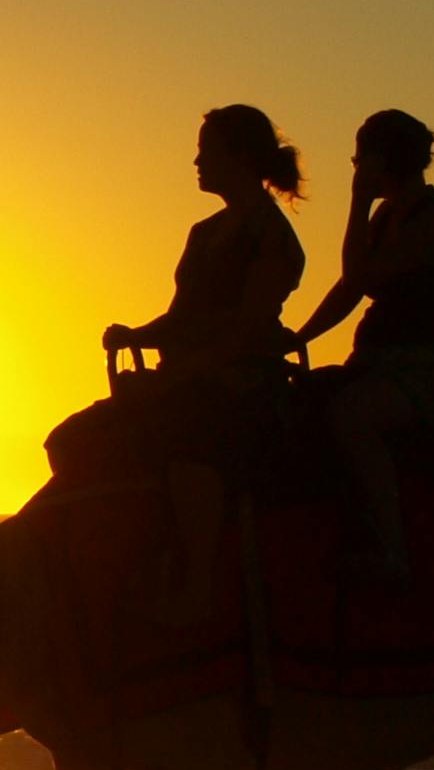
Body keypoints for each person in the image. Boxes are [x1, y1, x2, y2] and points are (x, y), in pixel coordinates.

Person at [102, 105, 307, 615]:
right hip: (187, 376)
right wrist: (135, 335)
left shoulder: (272, 236)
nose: (196, 160)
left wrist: (172, 381)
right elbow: (181, 318)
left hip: (241, 384)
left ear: (237, 157)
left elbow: (247, 332)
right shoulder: (203, 232)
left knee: (189, 442)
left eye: (206, 149)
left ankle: (198, 584)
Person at [290, 109, 434, 579]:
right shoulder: (391, 214)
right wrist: (297, 337)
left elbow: (361, 277)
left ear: (380, 160)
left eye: (359, 159)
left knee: (351, 418)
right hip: (375, 361)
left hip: (423, 369)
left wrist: (356, 203)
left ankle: (394, 548)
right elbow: (348, 291)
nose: (354, 168)